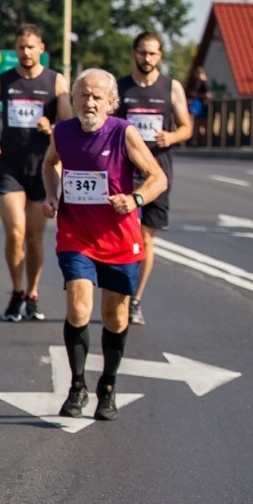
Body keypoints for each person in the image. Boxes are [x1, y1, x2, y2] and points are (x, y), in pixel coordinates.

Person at [42, 70, 168, 421]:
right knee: (79, 308)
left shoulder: (123, 132)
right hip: (76, 235)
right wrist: (51, 195)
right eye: (83, 95)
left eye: (98, 97)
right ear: (74, 99)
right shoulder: (63, 132)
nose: (90, 102)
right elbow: (49, 163)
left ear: (112, 103)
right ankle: (78, 385)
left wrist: (136, 198)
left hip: (118, 238)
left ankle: (108, 385)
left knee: (115, 316)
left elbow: (158, 177)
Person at [0, 24, 71, 322]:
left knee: (33, 237)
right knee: (15, 233)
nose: (26, 52)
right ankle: (17, 292)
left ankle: (33, 293)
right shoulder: (3, 81)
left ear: (41, 48)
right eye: (21, 47)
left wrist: (52, 128)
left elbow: (69, 126)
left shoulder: (56, 82)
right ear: (15, 49)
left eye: (31, 47)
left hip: (42, 168)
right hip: (10, 167)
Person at [117, 32, 192, 326]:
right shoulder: (121, 88)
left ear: (160, 56)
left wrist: (172, 135)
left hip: (157, 173)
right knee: (127, 236)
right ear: (134, 53)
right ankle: (120, 294)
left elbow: (187, 126)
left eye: (153, 54)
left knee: (146, 240)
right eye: (142, 53)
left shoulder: (171, 88)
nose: (147, 59)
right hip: (126, 173)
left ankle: (135, 299)